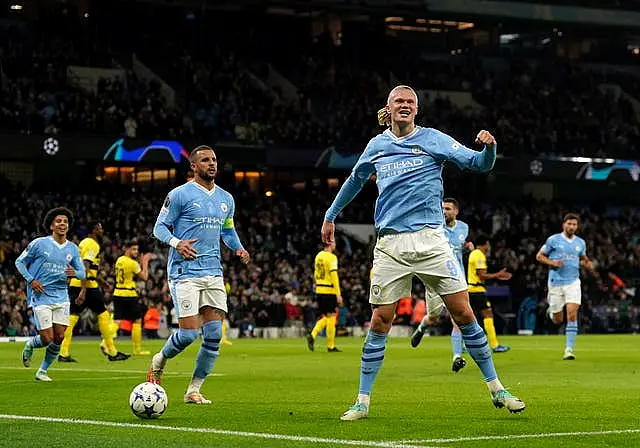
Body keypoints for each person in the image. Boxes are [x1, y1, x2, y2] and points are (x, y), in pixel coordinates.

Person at [322, 85, 525, 421]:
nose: (405, 105)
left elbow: (477, 164)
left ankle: (497, 388)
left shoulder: (434, 139)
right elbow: (355, 181)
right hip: (390, 244)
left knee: (464, 314)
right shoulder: (377, 146)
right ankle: (362, 401)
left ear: (416, 110)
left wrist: (490, 149)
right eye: (399, 101)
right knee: (380, 321)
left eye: (410, 102)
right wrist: (330, 215)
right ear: (388, 108)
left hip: (432, 240)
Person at [147, 145, 250, 404]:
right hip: (185, 272)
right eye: (205, 160)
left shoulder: (226, 199)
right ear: (193, 166)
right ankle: (160, 359)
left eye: (214, 159)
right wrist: (176, 243)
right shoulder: (179, 195)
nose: (212, 164)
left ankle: (194, 389)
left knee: (214, 334)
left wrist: (239, 249)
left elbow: (227, 231)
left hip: (213, 271)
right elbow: (159, 228)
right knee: (190, 334)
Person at [15, 207, 86, 381]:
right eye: (58, 221)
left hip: (61, 296)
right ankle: (30, 344)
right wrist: (31, 280)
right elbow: (19, 262)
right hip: (41, 296)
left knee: (59, 337)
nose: (62, 224)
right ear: (52, 226)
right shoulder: (39, 244)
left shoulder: (73, 249)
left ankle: (42, 371)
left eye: (65, 222)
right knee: (47, 339)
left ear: (68, 227)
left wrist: (75, 273)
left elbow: (83, 272)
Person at [410, 198, 474, 373]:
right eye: (442, 208)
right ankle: (422, 327)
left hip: (456, 279)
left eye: (447, 208)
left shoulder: (463, 228)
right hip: (435, 280)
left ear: (456, 212)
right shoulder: (434, 227)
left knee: (457, 320)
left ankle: (457, 357)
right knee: (433, 318)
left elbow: (460, 246)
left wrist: (467, 247)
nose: (444, 211)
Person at [60, 221, 129, 362]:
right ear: (94, 230)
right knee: (103, 315)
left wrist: (101, 282)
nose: (102, 230)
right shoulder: (92, 244)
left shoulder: (84, 243)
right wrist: (84, 290)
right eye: (100, 228)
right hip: (85, 285)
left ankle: (63, 353)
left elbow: (87, 268)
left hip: (80, 283)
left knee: (73, 317)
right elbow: (84, 267)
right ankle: (112, 352)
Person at [536, 213, 598, 360]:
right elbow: (539, 256)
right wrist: (552, 263)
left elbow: (583, 258)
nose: (571, 227)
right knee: (557, 320)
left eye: (574, 224)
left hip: (573, 282)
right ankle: (552, 311)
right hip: (555, 282)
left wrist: (588, 265)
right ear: (563, 224)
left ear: (577, 226)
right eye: (569, 224)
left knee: (572, 315)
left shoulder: (580, 243)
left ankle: (569, 349)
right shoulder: (553, 240)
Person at [467, 236, 512, 353]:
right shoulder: (479, 256)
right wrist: (498, 275)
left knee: (467, 318)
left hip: (470, 289)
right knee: (488, 315)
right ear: (485, 244)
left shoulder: (473, 254)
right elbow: (481, 275)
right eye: (488, 244)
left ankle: (464, 344)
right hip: (477, 290)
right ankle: (495, 345)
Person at [113, 240, 152, 355]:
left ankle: (106, 342)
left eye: (137, 250)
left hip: (117, 292)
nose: (136, 252)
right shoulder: (132, 263)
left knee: (117, 321)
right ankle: (137, 349)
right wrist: (145, 262)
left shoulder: (119, 260)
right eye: (133, 249)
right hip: (129, 294)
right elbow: (144, 277)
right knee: (137, 320)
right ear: (127, 249)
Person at [306, 241, 343, 352]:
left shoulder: (318, 256)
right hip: (329, 290)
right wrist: (338, 294)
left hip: (319, 289)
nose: (335, 244)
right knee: (331, 317)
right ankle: (330, 345)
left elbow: (316, 273)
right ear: (330, 244)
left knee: (327, 317)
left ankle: (313, 335)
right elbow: (334, 276)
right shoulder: (332, 257)